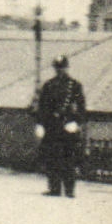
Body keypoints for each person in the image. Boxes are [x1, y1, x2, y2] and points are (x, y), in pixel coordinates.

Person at [34, 55, 86, 197]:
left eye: (62, 67)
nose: (60, 70)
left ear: (67, 68)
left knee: (69, 158)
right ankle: (54, 188)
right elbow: (42, 107)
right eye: (57, 68)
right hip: (52, 127)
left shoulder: (74, 86)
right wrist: (40, 124)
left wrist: (76, 122)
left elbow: (81, 107)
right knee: (52, 157)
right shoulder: (48, 85)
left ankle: (69, 190)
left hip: (67, 127)